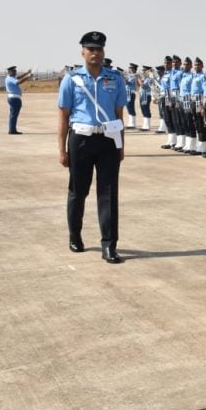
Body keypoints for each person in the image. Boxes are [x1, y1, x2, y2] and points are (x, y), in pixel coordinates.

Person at [57, 31, 127, 263]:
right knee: (78, 191)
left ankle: (109, 245)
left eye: (99, 49)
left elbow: (119, 113)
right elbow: (63, 115)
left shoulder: (115, 79)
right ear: (83, 52)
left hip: (107, 139)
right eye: (91, 49)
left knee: (108, 193)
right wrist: (62, 149)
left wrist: (121, 145)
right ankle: (75, 235)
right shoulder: (72, 79)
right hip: (81, 139)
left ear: (103, 52)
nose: (95, 53)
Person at [5, 65, 33, 134]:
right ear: (9, 72)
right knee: (14, 115)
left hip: (13, 98)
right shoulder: (10, 78)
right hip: (14, 98)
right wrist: (28, 77)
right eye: (14, 71)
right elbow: (18, 82)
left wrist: (27, 73)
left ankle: (12, 129)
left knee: (13, 114)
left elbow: (19, 77)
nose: (15, 72)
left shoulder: (11, 77)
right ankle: (12, 130)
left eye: (15, 71)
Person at [123, 64, 139, 129]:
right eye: (129, 68)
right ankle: (130, 123)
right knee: (128, 107)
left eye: (131, 68)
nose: (130, 69)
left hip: (131, 93)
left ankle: (133, 123)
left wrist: (122, 77)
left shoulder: (134, 76)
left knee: (131, 107)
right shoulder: (130, 76)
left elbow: (127, 83)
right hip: (127, 93)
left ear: (134, 69)